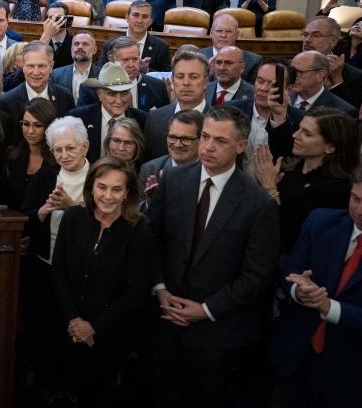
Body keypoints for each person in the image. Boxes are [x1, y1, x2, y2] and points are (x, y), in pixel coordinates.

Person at [146, 106, 280, 408]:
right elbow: (151, 241)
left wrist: (205, 309)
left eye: (219, 141)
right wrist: (160, 289)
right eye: (205, 136)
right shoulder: (173, 180)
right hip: (165, 321)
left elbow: (257, 275)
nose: (207, 146)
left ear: (241, 146)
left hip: (218, 333)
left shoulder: (257, 203)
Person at [51, 157, 153, 406]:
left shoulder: (138, 228)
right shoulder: (74, 217)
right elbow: (59, 272)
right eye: (102, 187)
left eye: (116, 189)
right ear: (91, 188)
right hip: (70, 328)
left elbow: (135, 291)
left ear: (127, 193)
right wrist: (74, 319)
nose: (108, 195)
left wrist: (93, 327)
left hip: (111, 334)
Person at [271, 169, 362, 408]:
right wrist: (298, 291)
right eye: (356, 199)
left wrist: (328, 307)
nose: (360, 210)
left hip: (350, 374)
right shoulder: (321, 222)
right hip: (297, 358)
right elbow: (291, 270)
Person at [19, 116, 90, 393]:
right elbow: (24, 214)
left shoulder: (99, 176)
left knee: (73, 331)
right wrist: (42, 211)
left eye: (70, 148)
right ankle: (43, 383)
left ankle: (72, 386)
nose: (63, 155)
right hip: (44, 265)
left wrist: (73, 207)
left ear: (84, 147)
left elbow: (109, 224)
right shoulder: (45, 177)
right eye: (57, 149)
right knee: (43, 327)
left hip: (82, 272)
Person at [253, 108, 358, 253]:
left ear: (330, 147)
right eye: (299, 129)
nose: (295, 135)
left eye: (307, 134)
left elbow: (289, 233)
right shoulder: (291, 173)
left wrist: (271, 189)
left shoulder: (336, 190)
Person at [68, 62, 147, 163]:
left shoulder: (143, 120)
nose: (119, 101)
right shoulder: (78, 119)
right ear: (99, 95)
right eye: (112, 94)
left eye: (124, 93)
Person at [143, 49, 211, 159]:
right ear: (173, 81)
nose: (186, 83)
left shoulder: (219, 122)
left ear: (206, 82)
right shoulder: (155, 118)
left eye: (193, 77)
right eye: (180, 76)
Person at [138, 110, 203, 202]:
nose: (177, 145)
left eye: (185, 139)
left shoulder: (210, 171)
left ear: (201, 140)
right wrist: (152, 201)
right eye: (172, 137)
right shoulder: (150, 170)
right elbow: (139, 213)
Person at [1, 41, 75, 121]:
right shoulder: (6, 102)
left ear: (51, 66)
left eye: (41, 66)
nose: (36, 72)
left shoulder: (65, 96)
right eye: (30, 66)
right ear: (23, 67)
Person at [4, 97, 57, 210]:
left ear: (49, 127)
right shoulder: (12, 156)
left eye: (38, 125)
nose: (30, 131)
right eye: (26, 124)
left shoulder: (57, 160)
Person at [300, 16, 362, 108]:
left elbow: (351, 114)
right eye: (305, 35)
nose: (307, 40)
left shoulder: (355, 76)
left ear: (333, 41)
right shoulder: (288, 67)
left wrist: (337, 81)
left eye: (316, 35)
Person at [97, 0, 172, 72]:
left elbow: (166, 78)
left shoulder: (162, 47)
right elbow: (100, 73)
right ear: (127, 17)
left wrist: (147, 71)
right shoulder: (110, 45)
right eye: (136, 15)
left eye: (145, 17)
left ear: (150, 21)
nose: (140, 21)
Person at [288, 51, 355, 116]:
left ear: (320, 75)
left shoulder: (342, 111)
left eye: (300, 72)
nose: (293, 77)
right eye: (291, 71)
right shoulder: (283, 99)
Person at [201, 13, 263, 82]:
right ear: (211, 33)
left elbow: (253, 91)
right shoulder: (197, 57)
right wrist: (206, 75)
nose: (223, 35)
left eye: (229, 32)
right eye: (219, 31)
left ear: (237, 34)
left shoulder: (254, 61)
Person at [50, 31, 99, 101]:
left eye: (85, 44)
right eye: (76, 44)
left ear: (94, 50)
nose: (80, 47)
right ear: (71, 48)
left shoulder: (102, 75)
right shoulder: (56, 74)